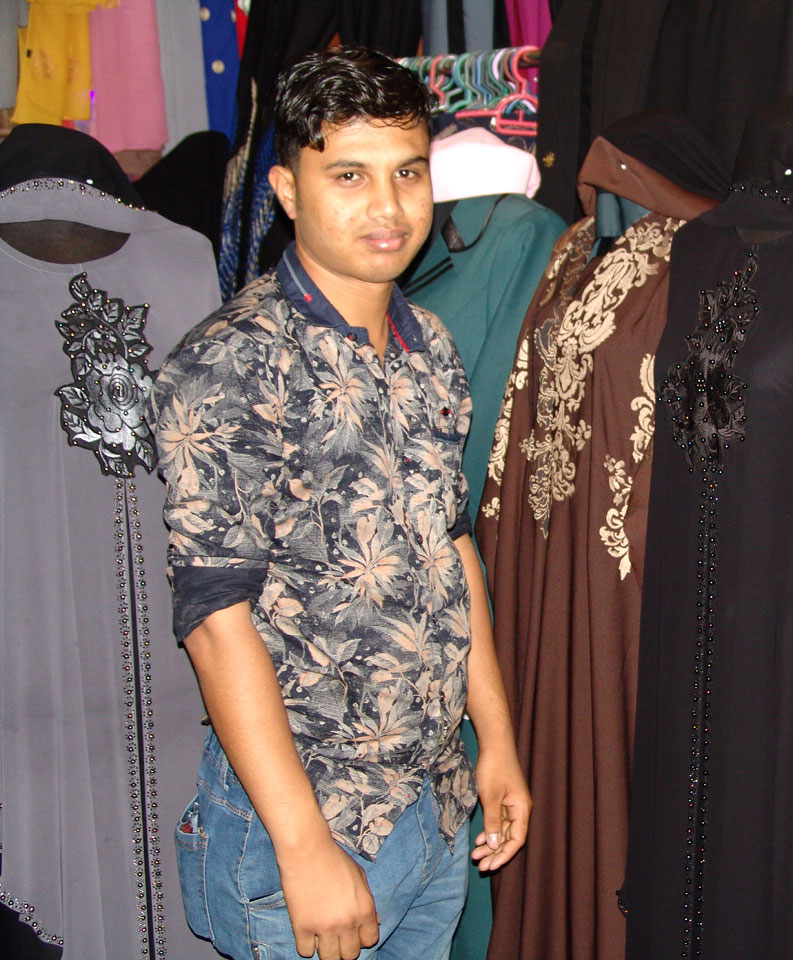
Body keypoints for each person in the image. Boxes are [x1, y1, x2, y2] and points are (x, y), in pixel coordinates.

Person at [148, 45, 530, 960]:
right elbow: (214, 619)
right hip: (305, 822)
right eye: (349, 175)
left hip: (431, 809)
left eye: (408, 173)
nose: (388, 207)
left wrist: (496, 738)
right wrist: (303, 845)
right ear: (286, 189)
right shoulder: (233, 359)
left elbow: (451, 548)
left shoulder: (429, 345)